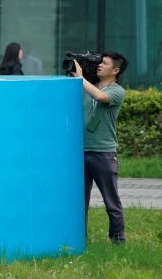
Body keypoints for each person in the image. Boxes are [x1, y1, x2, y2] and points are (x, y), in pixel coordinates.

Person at [71, 51, 129, 245]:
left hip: (104, 153)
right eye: (100, 62)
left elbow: (100, 97)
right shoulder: (89, 86)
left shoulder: (116, 91)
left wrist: (81, 79)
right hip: (81, 152)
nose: (100, 65)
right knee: (79, 203)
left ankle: (118, 239)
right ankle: (79, 238)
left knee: (111, 202)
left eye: (105, 63)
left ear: (116, 70)